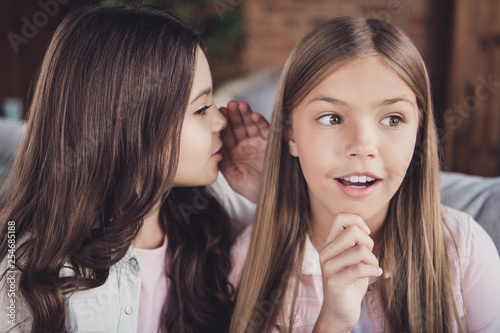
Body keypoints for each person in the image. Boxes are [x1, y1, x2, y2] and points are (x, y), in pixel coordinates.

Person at [0, 5, 268, 333]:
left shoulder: (216, 219)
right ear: (129, 126)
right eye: (201, 109)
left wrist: (264, 187)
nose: (221, 120)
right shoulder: (23, 269)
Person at [229, 17, 500, 332]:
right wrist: (333, 321)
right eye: (331, 118)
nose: (362, 147)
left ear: (419, 134)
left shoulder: (464, 250)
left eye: (393, 119)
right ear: (290, 134)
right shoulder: (251, 262)